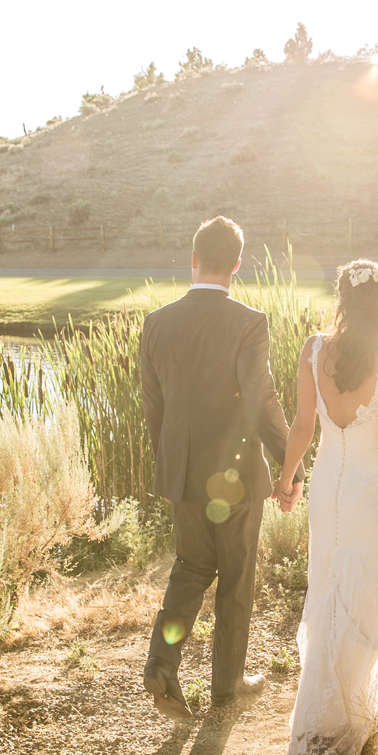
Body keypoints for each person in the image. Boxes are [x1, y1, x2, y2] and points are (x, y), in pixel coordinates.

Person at [140, 216, 304, 721]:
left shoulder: (156, 322)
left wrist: (168, 473)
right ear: (236, 264)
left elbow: (153, 407)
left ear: (193, 259)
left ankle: (162, 667)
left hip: (183, 475)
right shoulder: (249, 322)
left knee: (190, 568)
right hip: (236, 478)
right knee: (235, 577)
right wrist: (291, 471)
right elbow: (262, 402)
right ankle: (227, 689)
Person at [274, 259, 378, 755]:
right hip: (374, 493)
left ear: (341, 300)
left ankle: (318, 716)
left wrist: (287, 479)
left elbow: (301, 426)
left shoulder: (314, 350)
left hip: (328, 492)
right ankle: (346, 714)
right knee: (365, 595)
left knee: (329, 589)